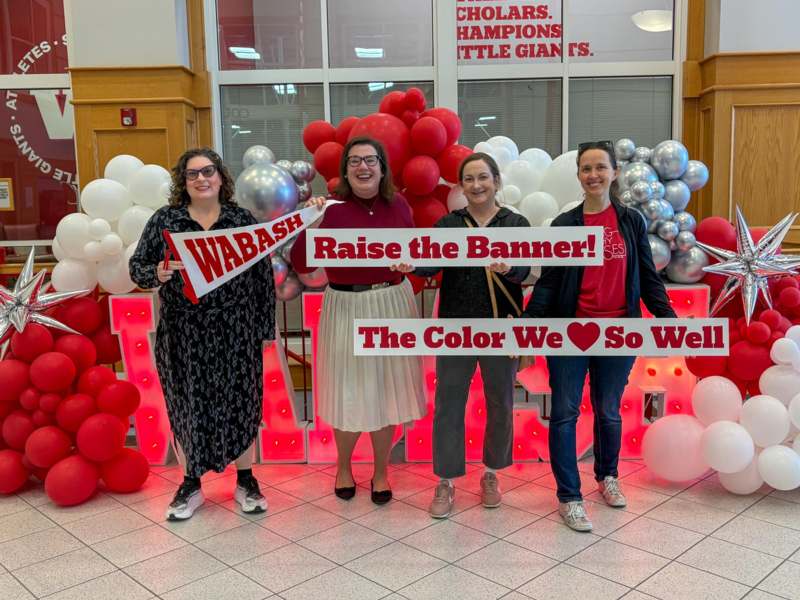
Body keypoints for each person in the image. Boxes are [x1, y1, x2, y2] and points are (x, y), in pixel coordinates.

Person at [522, 140, 676, 532]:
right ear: (578, 175)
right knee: (565, 413)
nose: (593, 175)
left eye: (600, 167)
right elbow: (550, 282)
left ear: (614, 172)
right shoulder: (565, 225)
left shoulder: (631, 222)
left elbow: (648, 276)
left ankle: (607, 477)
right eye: (586, 168)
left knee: (608, 411)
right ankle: (569, 497)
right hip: (570, 332)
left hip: (620, 332)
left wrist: (668, 319)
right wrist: (528, 323)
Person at [129, 148, 274, 520]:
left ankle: (246, 478)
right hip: (183, 330)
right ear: (184, 181)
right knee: (187, 403)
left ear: (221, 177)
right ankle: (191, 481)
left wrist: (263, 329)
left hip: (235, 328)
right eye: (192, 174)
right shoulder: (166, 220)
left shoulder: (242, 220)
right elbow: (138, 267)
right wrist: (157, 275)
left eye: (208, 171)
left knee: (241, 399)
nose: (201, 179)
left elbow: (261, 280)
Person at [291, 136, 427, 505]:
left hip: (391, 302)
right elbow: (303, 264)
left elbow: (415, 251)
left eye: (370, 160)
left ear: (382, 167)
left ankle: (382, 471)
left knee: (387, 392)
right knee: (347, 390)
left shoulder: (398, 204)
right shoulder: (328, 210)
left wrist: (410, 263)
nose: (363, 167)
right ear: (345, 170)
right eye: (354, 161)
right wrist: (312, 224)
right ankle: (344, 467)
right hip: (345, 306)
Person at [394, 152, 531, 518]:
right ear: (461, 186)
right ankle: (446, 479)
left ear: (496, 181)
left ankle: (491, 473)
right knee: (449, 405)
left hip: (502, 328)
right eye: (469, 179)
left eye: (483, 177)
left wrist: (509, 268)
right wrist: (412, 265)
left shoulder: (515, 223)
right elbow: (431, 262)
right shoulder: (448, 225)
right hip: (454, 328)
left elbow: (525, 270)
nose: (476, 185)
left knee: (500, 401)